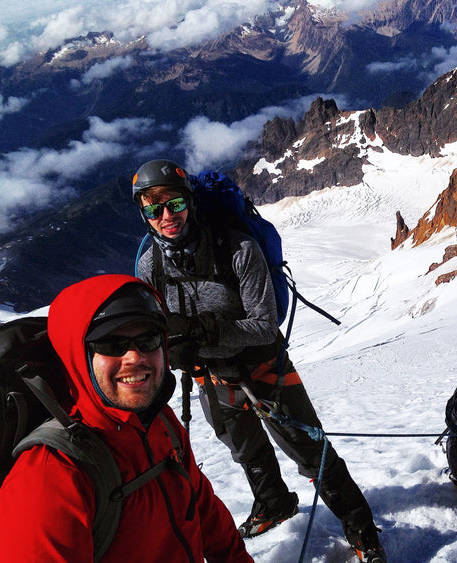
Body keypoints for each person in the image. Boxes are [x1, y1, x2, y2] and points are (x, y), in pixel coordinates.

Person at [131, 159, 386, 563]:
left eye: (174, 205)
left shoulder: (237, 249)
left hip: (265, 367)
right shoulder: (150, 267)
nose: (166, 217)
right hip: (211, 377)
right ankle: (274, 502)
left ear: (190, 203)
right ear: (143, 212)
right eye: (153, 208)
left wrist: (202, 332)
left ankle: (362, 530)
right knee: (245, 449)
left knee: (310, 450)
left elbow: (265, 325)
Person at [0, 274, 252, 562]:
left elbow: (207, 515)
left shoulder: (159, 422)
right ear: (78, 353)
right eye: (111, 344)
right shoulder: (48, 480)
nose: (134, 357)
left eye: (148, 339)